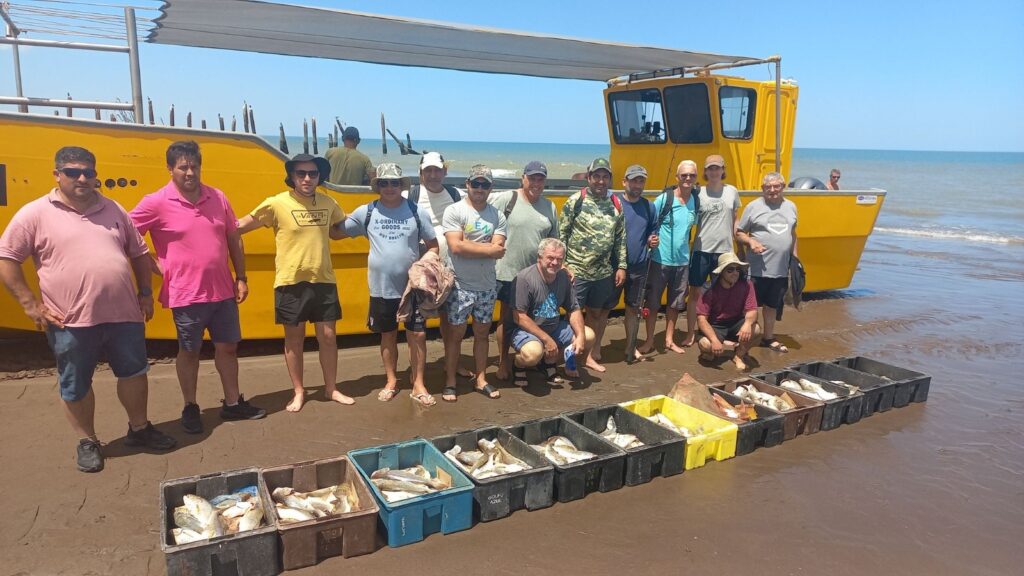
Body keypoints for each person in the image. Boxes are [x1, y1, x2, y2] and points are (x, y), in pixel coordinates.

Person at [0, 146, 176, 473]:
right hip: (69, 320)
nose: (82, 178)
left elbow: (138, 253)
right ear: (57, 175)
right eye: (72, 172)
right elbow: (7, 258)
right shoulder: (35, 213)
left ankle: (139, 429)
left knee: (135, 373)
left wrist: (144, 293)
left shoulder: (114, 209)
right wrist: (29, 305)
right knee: (76, 383)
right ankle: (88, 441)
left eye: (88, 172)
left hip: (124, 314)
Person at [130, 141, 266, 434]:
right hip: (185, 293)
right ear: (170, 169)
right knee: (189, 351)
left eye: (195, 166)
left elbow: (233, 238)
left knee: (228, 348)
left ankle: (232, 403)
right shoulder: (155, 202)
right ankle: (190, 406)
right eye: (183, 167)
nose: (190, 172)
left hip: (223, 290)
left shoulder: (217, 197)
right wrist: (157, 266)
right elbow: (129, 236)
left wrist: (241, 276)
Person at [237, 153, 355, 411]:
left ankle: (331, 388)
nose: (307, 178)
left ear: (319, 177)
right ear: (291, 176)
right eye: (301, 173)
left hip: (323, 279)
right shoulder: (276, 203)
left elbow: (339, 230)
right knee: (294, 339)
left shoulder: (328, 202)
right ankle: (299, 391)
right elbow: (240, 226)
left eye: (312, 174)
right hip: (290, 282)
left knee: (328, 337)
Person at [338, 163, 439, 406]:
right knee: (388, 335)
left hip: (412, 288)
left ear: (402, 185)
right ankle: (392, 380)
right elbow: (336, 231)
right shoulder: (367, 212)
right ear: (378, 186)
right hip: (381, 288)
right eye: (384, 183)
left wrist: (423, 265)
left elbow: (434, 245)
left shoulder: (417, 212)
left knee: (418, 334)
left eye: (395, 183)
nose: (390, 187)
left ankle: (418, 383)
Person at [405, 151, 473, 381]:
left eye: (437, 170)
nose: (433, 175)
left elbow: (483, 199)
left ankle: (450, 363)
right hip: (421, 270)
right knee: (417, 323)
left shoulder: (456, 194)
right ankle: (416, 372)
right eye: (428, 171)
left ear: (445, 171)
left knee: (450, 319)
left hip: (451, 268)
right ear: (420, 173)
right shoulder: (410, 195)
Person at [441, 164, 507, 401]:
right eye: (475, 183)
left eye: (485, 184)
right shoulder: (454, 211)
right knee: (455, 335)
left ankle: (481, 379)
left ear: (491, 188)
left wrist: (472, 246)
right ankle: (450, 380)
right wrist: (486, 248)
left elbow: (499, 250)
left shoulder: (497, 215)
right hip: (460, 285)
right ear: (467, 184)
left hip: (487, 286)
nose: (480, 188)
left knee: (482, 334)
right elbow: (456, 246)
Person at [488, 160, 559, 380]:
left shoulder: (550, 206)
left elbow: (554, 241)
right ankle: (503, 361)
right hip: (507, 273)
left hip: (538, 276)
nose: (536, 182)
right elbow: (483, 217)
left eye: (541, 179)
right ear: (523, 178)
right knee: (506, 319)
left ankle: (532, 357)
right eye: (532, 178)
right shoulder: (506, 199)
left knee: (534, 318)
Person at [559, 157, 626, 373]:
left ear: (609, 179)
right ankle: (570, 358)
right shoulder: (575, 200)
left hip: (603, 273)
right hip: (576, 271)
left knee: (596, 314)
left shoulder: (616, 203)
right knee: (574, 316)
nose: (600, 180)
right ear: (589, 178)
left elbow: (620, 238)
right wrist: (564, 265)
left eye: (605, 176)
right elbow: (562, 234)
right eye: (596, 176)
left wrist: (622, 266)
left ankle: (588, 356)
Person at [509, 238, 595, 382]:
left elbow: (573, 309)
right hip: (526, 330)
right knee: (532, 354)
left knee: (588, 336)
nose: (555, 263)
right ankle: (519, 364)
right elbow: (519, 317)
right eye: (550, 258)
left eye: (559, 259)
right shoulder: (525, 278)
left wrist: (580, 336)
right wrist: (547, 339)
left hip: (554, 327)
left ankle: (548, 362)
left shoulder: (564, 277)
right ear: (539, 257)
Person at [639, 160, 698, 355]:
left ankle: (669, 340)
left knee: (675, 304)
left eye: (692, 175)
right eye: (684, 175)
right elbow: (649, 223)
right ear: (677, 178)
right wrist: (650, 239)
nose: (688, 178)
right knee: (653, 303)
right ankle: (649, 341)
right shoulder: (665, 199)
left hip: (682, 262)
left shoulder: (695, 201)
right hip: (659, 260)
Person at [683, 154, 741, 347]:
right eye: (710, 168)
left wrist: (740, 241)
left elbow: (735, 219)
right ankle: (691, 333)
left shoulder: (732, 191)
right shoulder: (697, 192)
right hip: (701, 250)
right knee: (695, 293)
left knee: (721, 294)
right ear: (705, 172)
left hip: (724, 252)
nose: (714, 171)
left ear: (723, 170)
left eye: (717, 168)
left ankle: (716, 331)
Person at [736, 172, 798, 353]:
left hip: (780, 269)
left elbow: (793, 234)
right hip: (756, 269)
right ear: (763, 189)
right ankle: (745, 340)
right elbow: (739, 233)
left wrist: (795, 259)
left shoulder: (791, 207)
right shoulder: (753, 207)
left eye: (776, 186)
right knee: (750, 307)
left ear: (783, 187)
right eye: (768, 187)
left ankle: (768, 338)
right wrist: (751, 242)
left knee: (772, 306)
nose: (772, 190)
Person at [615, 164, 660, 362]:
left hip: (639, 266)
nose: (637, 184)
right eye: (633, 180)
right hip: (614, 266)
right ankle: (594, 348)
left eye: (641, 180)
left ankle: (630, 346)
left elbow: (653, 229)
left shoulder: (648, 207)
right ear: (624, 181)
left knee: (633, 308)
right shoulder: (614, 203)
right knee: (601, 308)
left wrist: (653, 238)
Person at [695, 252, 762, 371]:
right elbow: (701, 320)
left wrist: (747, 325)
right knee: (706, 345)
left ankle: (739, 355)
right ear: (721, 272)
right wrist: (714, 340)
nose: (735, 273)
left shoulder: (747, 285)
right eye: (730, 270)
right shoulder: (708, 289)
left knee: (755, 329)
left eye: (737, 269)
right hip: (715, 325)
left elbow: (752, 310)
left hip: (735, 322)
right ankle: (711, 352)